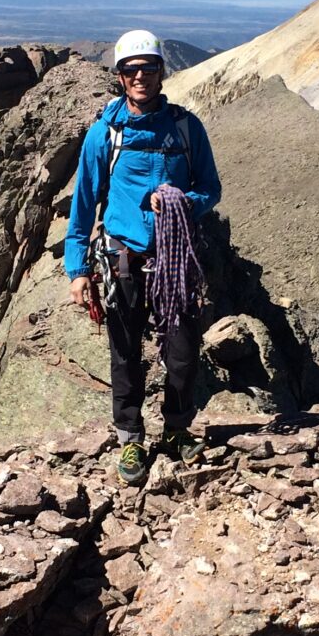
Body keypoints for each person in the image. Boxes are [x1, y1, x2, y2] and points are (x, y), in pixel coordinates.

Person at [65, 29, 221, 485]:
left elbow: (211, 188)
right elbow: (83, 205)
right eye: (131, 71)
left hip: (174, 259)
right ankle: (130, 437)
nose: (140, 78)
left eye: (148, 70)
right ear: (119, 77)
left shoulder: (186, 128)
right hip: (122, 257)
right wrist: (77, 270)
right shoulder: (104, 135)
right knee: (124, 352)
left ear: (160, 73)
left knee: (184, 351)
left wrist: (180, 199)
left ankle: (175, 430)